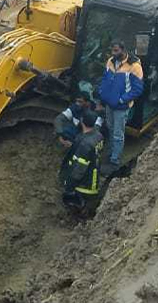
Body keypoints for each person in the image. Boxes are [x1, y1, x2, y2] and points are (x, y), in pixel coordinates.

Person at [98, 42, 143, 170]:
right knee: (111, 129)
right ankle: (111, 153)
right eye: (112, 50)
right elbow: (105, 79)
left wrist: (122, 100)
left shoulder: (134, 66)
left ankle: (114, 160)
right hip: (109, 104)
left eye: (116, 51)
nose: (113, 53)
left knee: (118, 133)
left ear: (123, 50)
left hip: (121, 107)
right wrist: (103, 93)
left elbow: (137, 90)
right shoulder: (111, 62)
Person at [60, 110, 103, 213]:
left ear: (82, 120)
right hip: (94, 177)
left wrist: (69, 186)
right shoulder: (98, 136)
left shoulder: (85, 144)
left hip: (84, 185)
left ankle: (80, 211)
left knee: (75, 202)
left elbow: (79, 170)